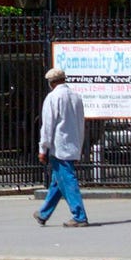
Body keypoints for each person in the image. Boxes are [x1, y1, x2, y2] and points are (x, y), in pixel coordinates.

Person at [37, 65, 89, 227]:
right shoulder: (76, 97)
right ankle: (43, 213)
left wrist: (42, 148)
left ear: (51, 83)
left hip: (59, 146)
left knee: (68, 180)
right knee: (57, 181)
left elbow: (47, 125)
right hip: (73, 144)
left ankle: (79, 216)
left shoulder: (53, 98)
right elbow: (81, 124)